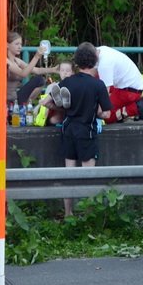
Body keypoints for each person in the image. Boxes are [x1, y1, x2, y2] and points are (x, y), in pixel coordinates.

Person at [57, 43, 112, 218]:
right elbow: (106, 113)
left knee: (69, 173)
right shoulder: (98, 85)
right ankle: (88, 215)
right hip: (86, 131)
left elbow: (52, 101)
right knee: (88, 175)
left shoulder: (67, 82)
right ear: (95, 61)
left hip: (68, 129)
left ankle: (68, 214)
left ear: (77, 61)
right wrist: (97, 110)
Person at [96, 45, 143, 124]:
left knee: (107, 116)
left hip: (129, 90)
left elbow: (104, 94)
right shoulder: (102, 50)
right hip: (132, 86)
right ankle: (128, 109)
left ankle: (135, 107)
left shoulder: (104, 64)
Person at [6, 31, 57, 106]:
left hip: (16, 98)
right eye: (16, 44)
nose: (20, 47)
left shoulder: (17, 61)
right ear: (7, 45)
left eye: (21, 44)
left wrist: (53, 69)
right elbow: (23, 74)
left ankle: (27, 105)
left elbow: (37, 70)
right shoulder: (5, 60)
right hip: (7, 100)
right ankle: (24, 106)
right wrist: (36, 56)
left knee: (40, 80)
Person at [35, 60, 74, 126]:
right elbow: (45, 105)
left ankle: (63, 102)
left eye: (67, 71)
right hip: (57, 111)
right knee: (53, 120)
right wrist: (41, 103)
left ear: (73, 72)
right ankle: (60, 102)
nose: (65, 73)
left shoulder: (76, 85)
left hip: (72, 111)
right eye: (62, 70)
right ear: (59, 72)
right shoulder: (53, 86)